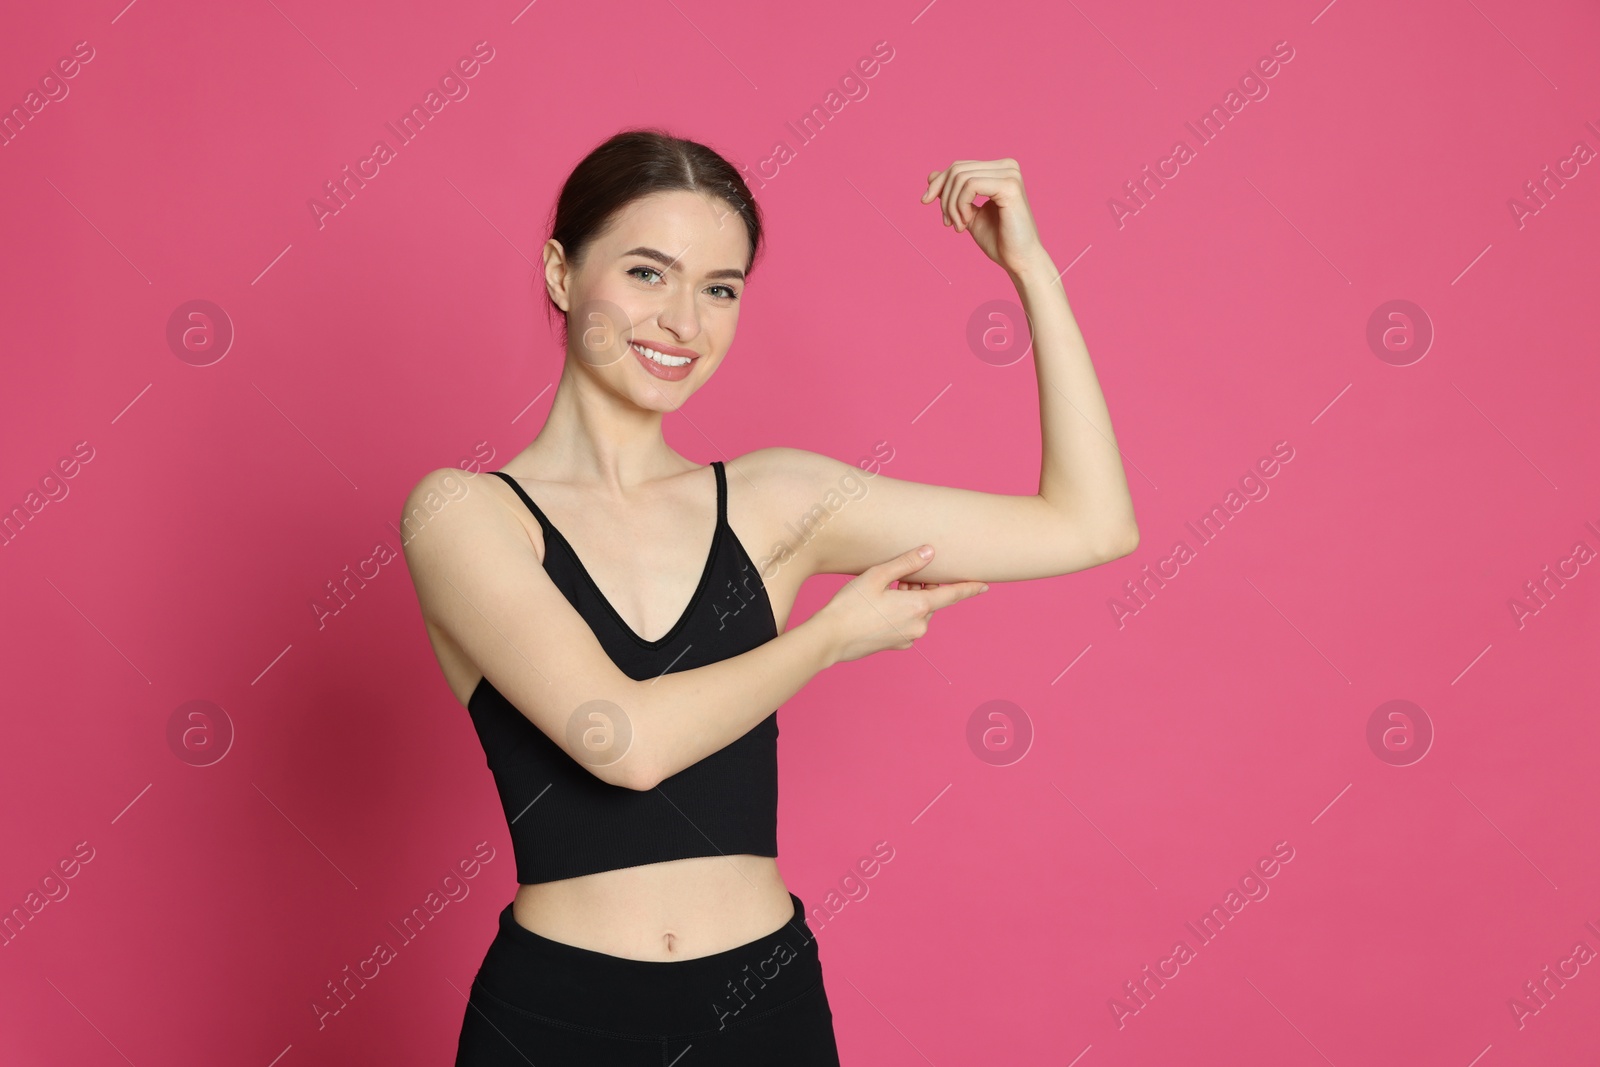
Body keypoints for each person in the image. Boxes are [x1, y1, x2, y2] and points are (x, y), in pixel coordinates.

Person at [400, 127, 1138, 1065]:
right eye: (646, 273)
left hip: (763, 1008)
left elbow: (1090, 524)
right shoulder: (462, 515)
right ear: (560, 273)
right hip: (557, 1016)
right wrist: (826, 640)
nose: (684, 322)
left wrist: (1034, 271)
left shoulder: (777, 500)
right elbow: (622, 742)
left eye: (720, 288)